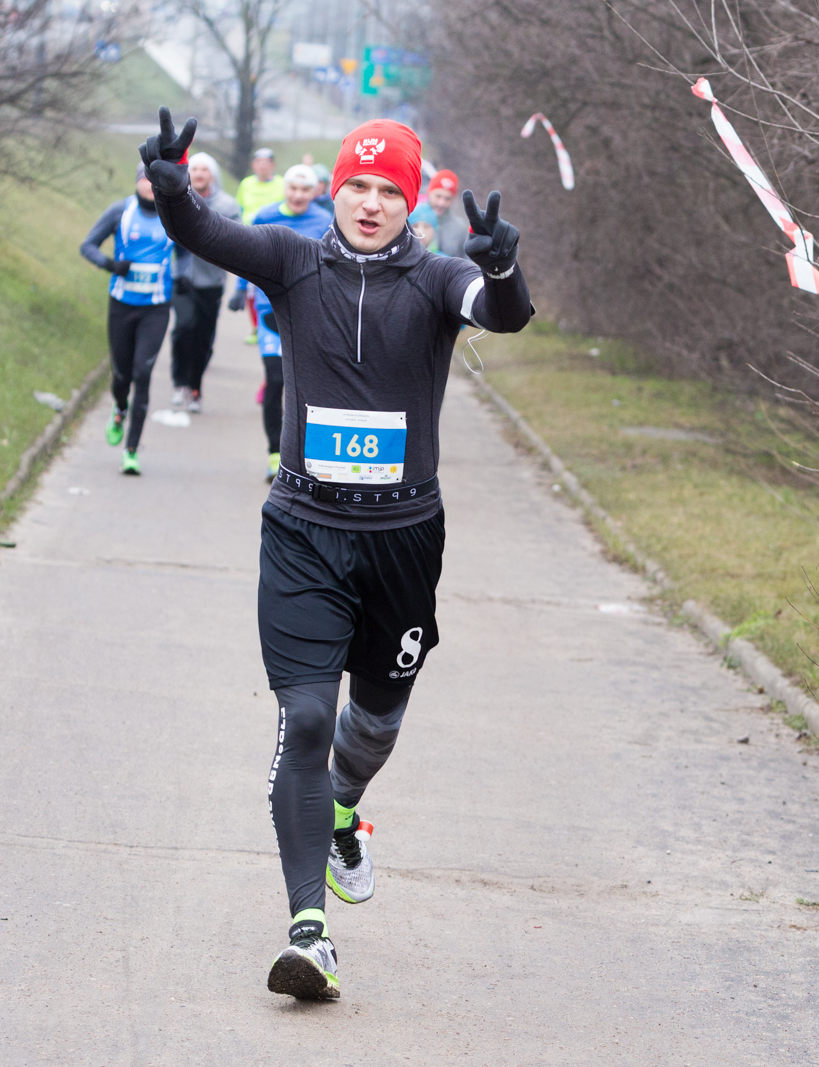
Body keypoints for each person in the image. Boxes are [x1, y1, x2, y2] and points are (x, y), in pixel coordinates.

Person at [140, 108, 534, 1000]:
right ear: (336, 192)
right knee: (308, 718)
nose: (366, 202)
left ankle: (348, 811)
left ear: (407, 201)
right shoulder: (292, 260)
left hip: (401, 541)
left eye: (386, 190)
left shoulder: (438, 279)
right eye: (355, 184)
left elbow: (499, 313)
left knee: (376, 721)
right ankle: (308, 932)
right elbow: (207, 228)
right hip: (304, 532)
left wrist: (501, 264)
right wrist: (172, 191)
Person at [228, 164, 333, 481]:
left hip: (309, 313)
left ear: (315, 191)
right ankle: (275, 453)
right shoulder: (264, 216)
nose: (298, 195)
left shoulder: (326, 221)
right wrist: (238, 290)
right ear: (284, 189)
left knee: (307, 389)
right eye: (293, 189)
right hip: (268, 310)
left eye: (305, 190)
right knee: (275, 380)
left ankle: (303, 457)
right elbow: (247, 256)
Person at [79, 162, 174, 476]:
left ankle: (131, 451)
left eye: (155, 179)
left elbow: (187, 253)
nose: (150, 184)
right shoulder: (120, 211)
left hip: (156, 308)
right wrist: (109, 264)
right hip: (121, 304)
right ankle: (120, 408)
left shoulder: (173, 213)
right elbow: (87, 245)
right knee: (121, 375)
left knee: (142, 372)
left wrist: (184, 276)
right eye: (145, 178)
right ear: (136, 181)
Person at [170, 152, 241, 413]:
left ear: (212, 175)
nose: (199, 174)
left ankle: (195, 387)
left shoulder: (227, 205)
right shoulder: (175, 201)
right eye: (195, 169)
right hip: (182, 278)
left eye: (204, 170)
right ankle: (179, 382)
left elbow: (237, 240)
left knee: (203, 337)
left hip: (211, 281)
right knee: (183, 327)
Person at [235, 149, 286, 344]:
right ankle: (256, 326)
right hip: (248, 240)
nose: (263, 166)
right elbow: (239, 208)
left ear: (272, 165)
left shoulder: (281, 184)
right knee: (249, 287)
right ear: (254, 165)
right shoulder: (246, 184)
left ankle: (275, 322)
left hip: (273, 242)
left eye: (267, 162)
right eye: (259, 162)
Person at [407, 169, 468, 258]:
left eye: (447, 198)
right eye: (438, 196)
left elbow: (467, 260)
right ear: (429, 192)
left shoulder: (459, 227)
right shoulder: (413, 215)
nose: (441, 203)